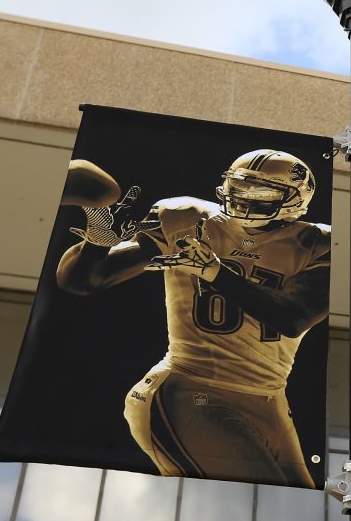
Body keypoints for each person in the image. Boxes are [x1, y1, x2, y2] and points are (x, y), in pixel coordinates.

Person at [56, 149, 330, 488]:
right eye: (238, 188)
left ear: (296, 198)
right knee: (267, 509)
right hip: (191, 392)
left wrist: (215, 272)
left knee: (304, 520)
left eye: (260, 193)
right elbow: (83, 281)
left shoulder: (320, 243)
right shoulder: (189, 219)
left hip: (270, 399)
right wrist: (96, 240)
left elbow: (291, 317)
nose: (244, 200)